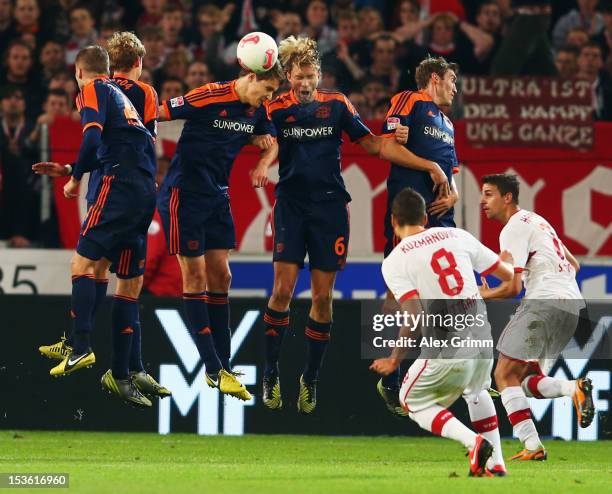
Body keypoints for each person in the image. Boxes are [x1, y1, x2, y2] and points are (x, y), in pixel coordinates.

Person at [260, 36, 455, 414]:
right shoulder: (274, 108)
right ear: (287, 76)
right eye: (299, 76)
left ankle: (310, 379)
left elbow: (373, 145)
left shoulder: (336, 105)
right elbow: (259, 136)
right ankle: (270, 372)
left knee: (321, 297)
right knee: (282, 290)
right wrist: (259, 147)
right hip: (291, 206)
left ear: (319, 75)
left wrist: (399, 141)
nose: (305, 83)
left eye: (311, 76)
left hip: (331, 208)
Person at [32, 44, 159, 409]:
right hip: (143, 191)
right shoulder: (125, 96)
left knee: (81, 264)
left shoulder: (94, 89)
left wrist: (74, 177)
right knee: (102, 269)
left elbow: (91, 137)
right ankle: (88, 345)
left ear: (78, 72)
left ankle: (81, 345)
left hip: (117, 185)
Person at [156, 60, 284, 402]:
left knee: (222, 277)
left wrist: (261, 162)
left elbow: (272, 142)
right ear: (252, 77)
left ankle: (223, 365)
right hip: (184, 194)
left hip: (217, 196)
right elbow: (157, 113)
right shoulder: (207, 95)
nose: (267, 99)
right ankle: (214, 368)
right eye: (267, 90)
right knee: (195, 277)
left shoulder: (257, 109)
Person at [370, 187, 513, 477]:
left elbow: (413, 315)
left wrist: (395, 360)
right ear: (425, 217)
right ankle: (497, 463)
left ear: (393, 221)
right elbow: (508, 274)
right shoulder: (456, 236)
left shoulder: (395, 260)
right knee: (477, 391)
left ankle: (473, 442)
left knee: (411, 401)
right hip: (483, 341)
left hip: (447, 347)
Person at [479, 173, 595, 460]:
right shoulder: (538, 220)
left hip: (543, 302)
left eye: (489, 194)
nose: (483, 201)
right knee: (526, 379)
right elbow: (575, 264)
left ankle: (532, 445)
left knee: (504, 374)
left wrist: (483, 295)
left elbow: (513, 287)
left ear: (507, 198)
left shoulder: (513, 228)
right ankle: (573, 388)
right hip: (570, 305)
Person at [376, 56, 459, 414]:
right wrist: (430, 166)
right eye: (452, 80)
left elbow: (450, 174)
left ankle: (441, 372)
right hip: (409, 216)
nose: (456, 87)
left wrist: (453, 191)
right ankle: (389, 370)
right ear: (436, 78)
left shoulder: (449, 124)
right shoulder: (409, 100)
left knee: (449, 294)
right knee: (402, 294)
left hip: (443, 221)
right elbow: (386, 146)